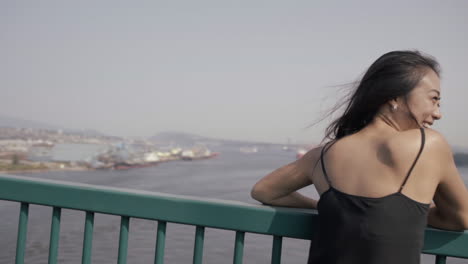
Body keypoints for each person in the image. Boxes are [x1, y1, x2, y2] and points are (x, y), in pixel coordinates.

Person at [251, 50, 468, 264]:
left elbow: (265, 191)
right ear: (395, 96)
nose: (437, 113)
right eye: (434, 99)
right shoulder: (428, 144)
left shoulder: (322, 155)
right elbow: (460, 217)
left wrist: (322, 205)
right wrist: (414, 213)